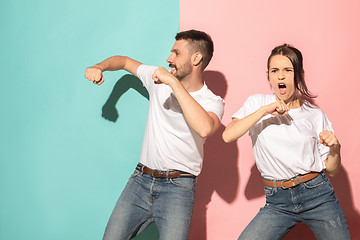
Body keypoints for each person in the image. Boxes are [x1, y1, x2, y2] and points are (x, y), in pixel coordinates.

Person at [85, 29, 224, 240]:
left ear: (197, 58)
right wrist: (99, 67)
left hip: (179, 188)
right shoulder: (158, 80)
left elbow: (204, 128)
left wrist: (173, 83)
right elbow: (123, 61)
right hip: (139, 182)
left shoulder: (211, 101)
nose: (169, 58)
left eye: (176, 53)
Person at [223, 44, 350, 240]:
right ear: (269, 76)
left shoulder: (315, 115)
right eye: (275, 71)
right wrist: (265, 110)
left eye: (287, 70)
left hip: (317, 195)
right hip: (277, 201)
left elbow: (331, 170)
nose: (280, 76)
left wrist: (335, 149)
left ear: (298, 75)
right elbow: (228, 135)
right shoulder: (257, 103)